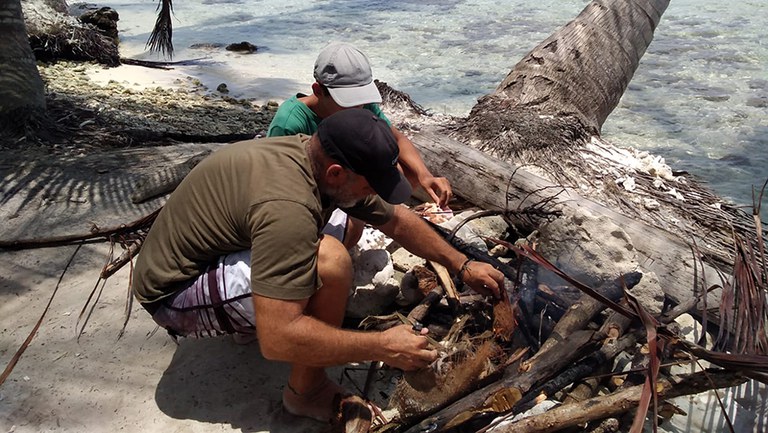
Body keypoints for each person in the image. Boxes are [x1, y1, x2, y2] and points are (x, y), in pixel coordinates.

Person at [132, 108, 504, 423]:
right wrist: (381, 347)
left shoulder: (309, 156)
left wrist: (462, 264)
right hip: (174, 293)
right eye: (369, 185)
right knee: (330, 261)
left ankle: (253, 317)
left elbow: (395, 220)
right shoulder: (288, 206)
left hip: (215, 251)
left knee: (351, 223)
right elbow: (279, 338)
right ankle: (305, 392)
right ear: (337, 173)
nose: (372, 194)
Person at [268, 41, 452, 248]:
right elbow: (277, 183)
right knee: (347, 233)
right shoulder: (290, 122)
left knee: (404, 171)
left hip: (351, 183)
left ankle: (365, 217)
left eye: (360, 100)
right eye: (347, 102)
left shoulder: (362, 107)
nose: (357, 107)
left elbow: (397, 139)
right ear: (318, 90)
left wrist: (424, 175)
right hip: (316, 192)